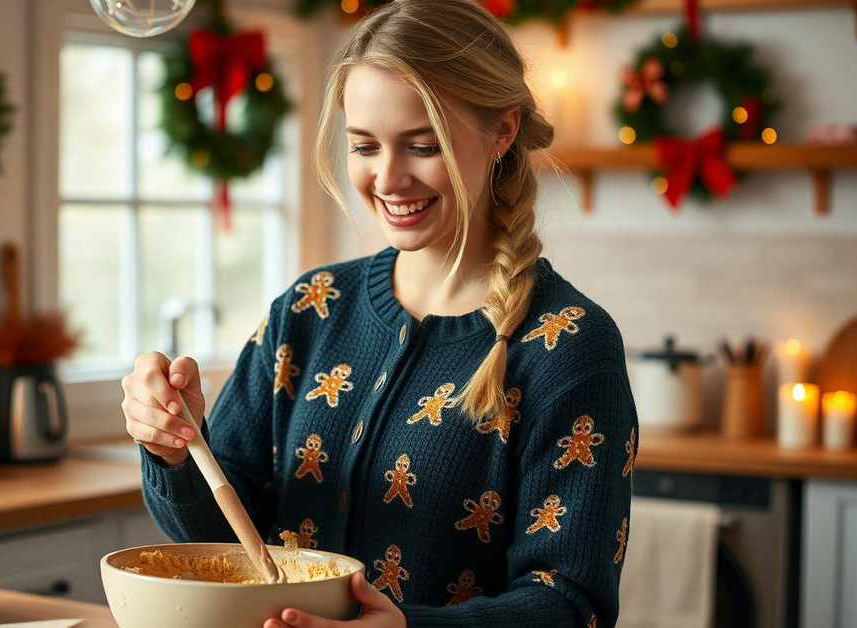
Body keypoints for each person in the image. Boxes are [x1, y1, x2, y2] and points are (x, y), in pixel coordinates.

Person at [120, 0, 639, 625]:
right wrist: (174, 450)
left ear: (502, 132)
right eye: (364, 146)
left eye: (422, 147)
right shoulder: (309, 311)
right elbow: (224, 547)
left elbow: (570, 604)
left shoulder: (569, 346)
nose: (388, 179)